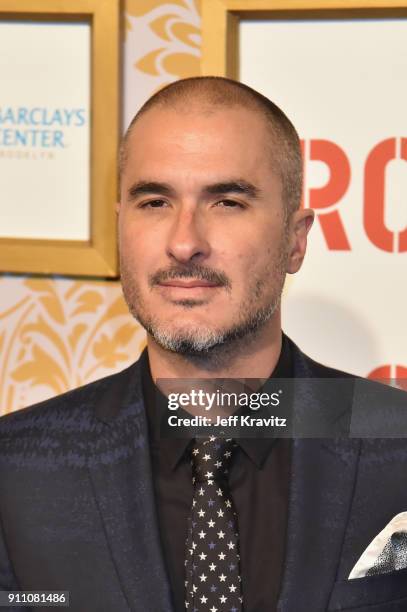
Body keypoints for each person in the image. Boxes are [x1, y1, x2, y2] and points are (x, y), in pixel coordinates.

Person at [0, 77, 406, 612]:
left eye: (228, 202)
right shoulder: (16, 467)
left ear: (296, 239)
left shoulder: (396, 443)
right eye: (154, 202)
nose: (185, 242)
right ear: (121, 227)